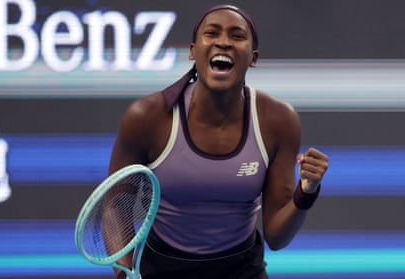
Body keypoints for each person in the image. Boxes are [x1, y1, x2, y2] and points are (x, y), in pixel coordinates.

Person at [108, 4, 329, 279]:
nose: (223, 42)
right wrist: (123, 272)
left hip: (240, 269)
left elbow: (276, 236)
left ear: (253, 58)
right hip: (161, 268)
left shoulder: (278, 121)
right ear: (192, 51)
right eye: (211, 33)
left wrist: (306, 192)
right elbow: (116, 206)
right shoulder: (148, 117)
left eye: (237, 36)